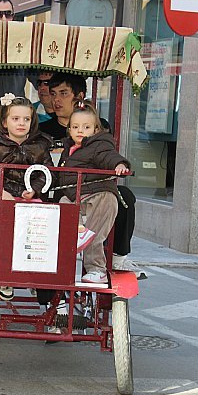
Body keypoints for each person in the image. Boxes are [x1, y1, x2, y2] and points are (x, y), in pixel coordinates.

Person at [40, 73, 139, 270]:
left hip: (91, 187)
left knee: (124, 197)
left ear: (79, 97)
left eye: (64, 93)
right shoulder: (42, 129)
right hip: (60, 187)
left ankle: (117, 255)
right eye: (53, 94)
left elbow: (106, 153)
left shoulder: (99, 129)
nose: (57, 100)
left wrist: (119, 164)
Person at [0, 95, 54, 299]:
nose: (21, 123)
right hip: (2, 195)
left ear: (32, 122)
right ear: (5, 121)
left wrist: (34, 190)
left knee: (39, 216)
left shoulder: (41, 145)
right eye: (16, 119)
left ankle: (29, 264)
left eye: (26, 119)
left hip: (28, 196)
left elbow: (47, 172)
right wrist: (1, 192)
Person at [57, 100, 131, 284]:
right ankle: (59, 268)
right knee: (61, 207)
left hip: (98, 194)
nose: (80, 130)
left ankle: (97, 268)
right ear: (69, 130)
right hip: (74, 197)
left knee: (94, 233)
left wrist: (119, 164)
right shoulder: (69, 149)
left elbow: (109, 156)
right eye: (75, 127)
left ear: (96, 129)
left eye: (86, 127)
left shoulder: (100, 144)